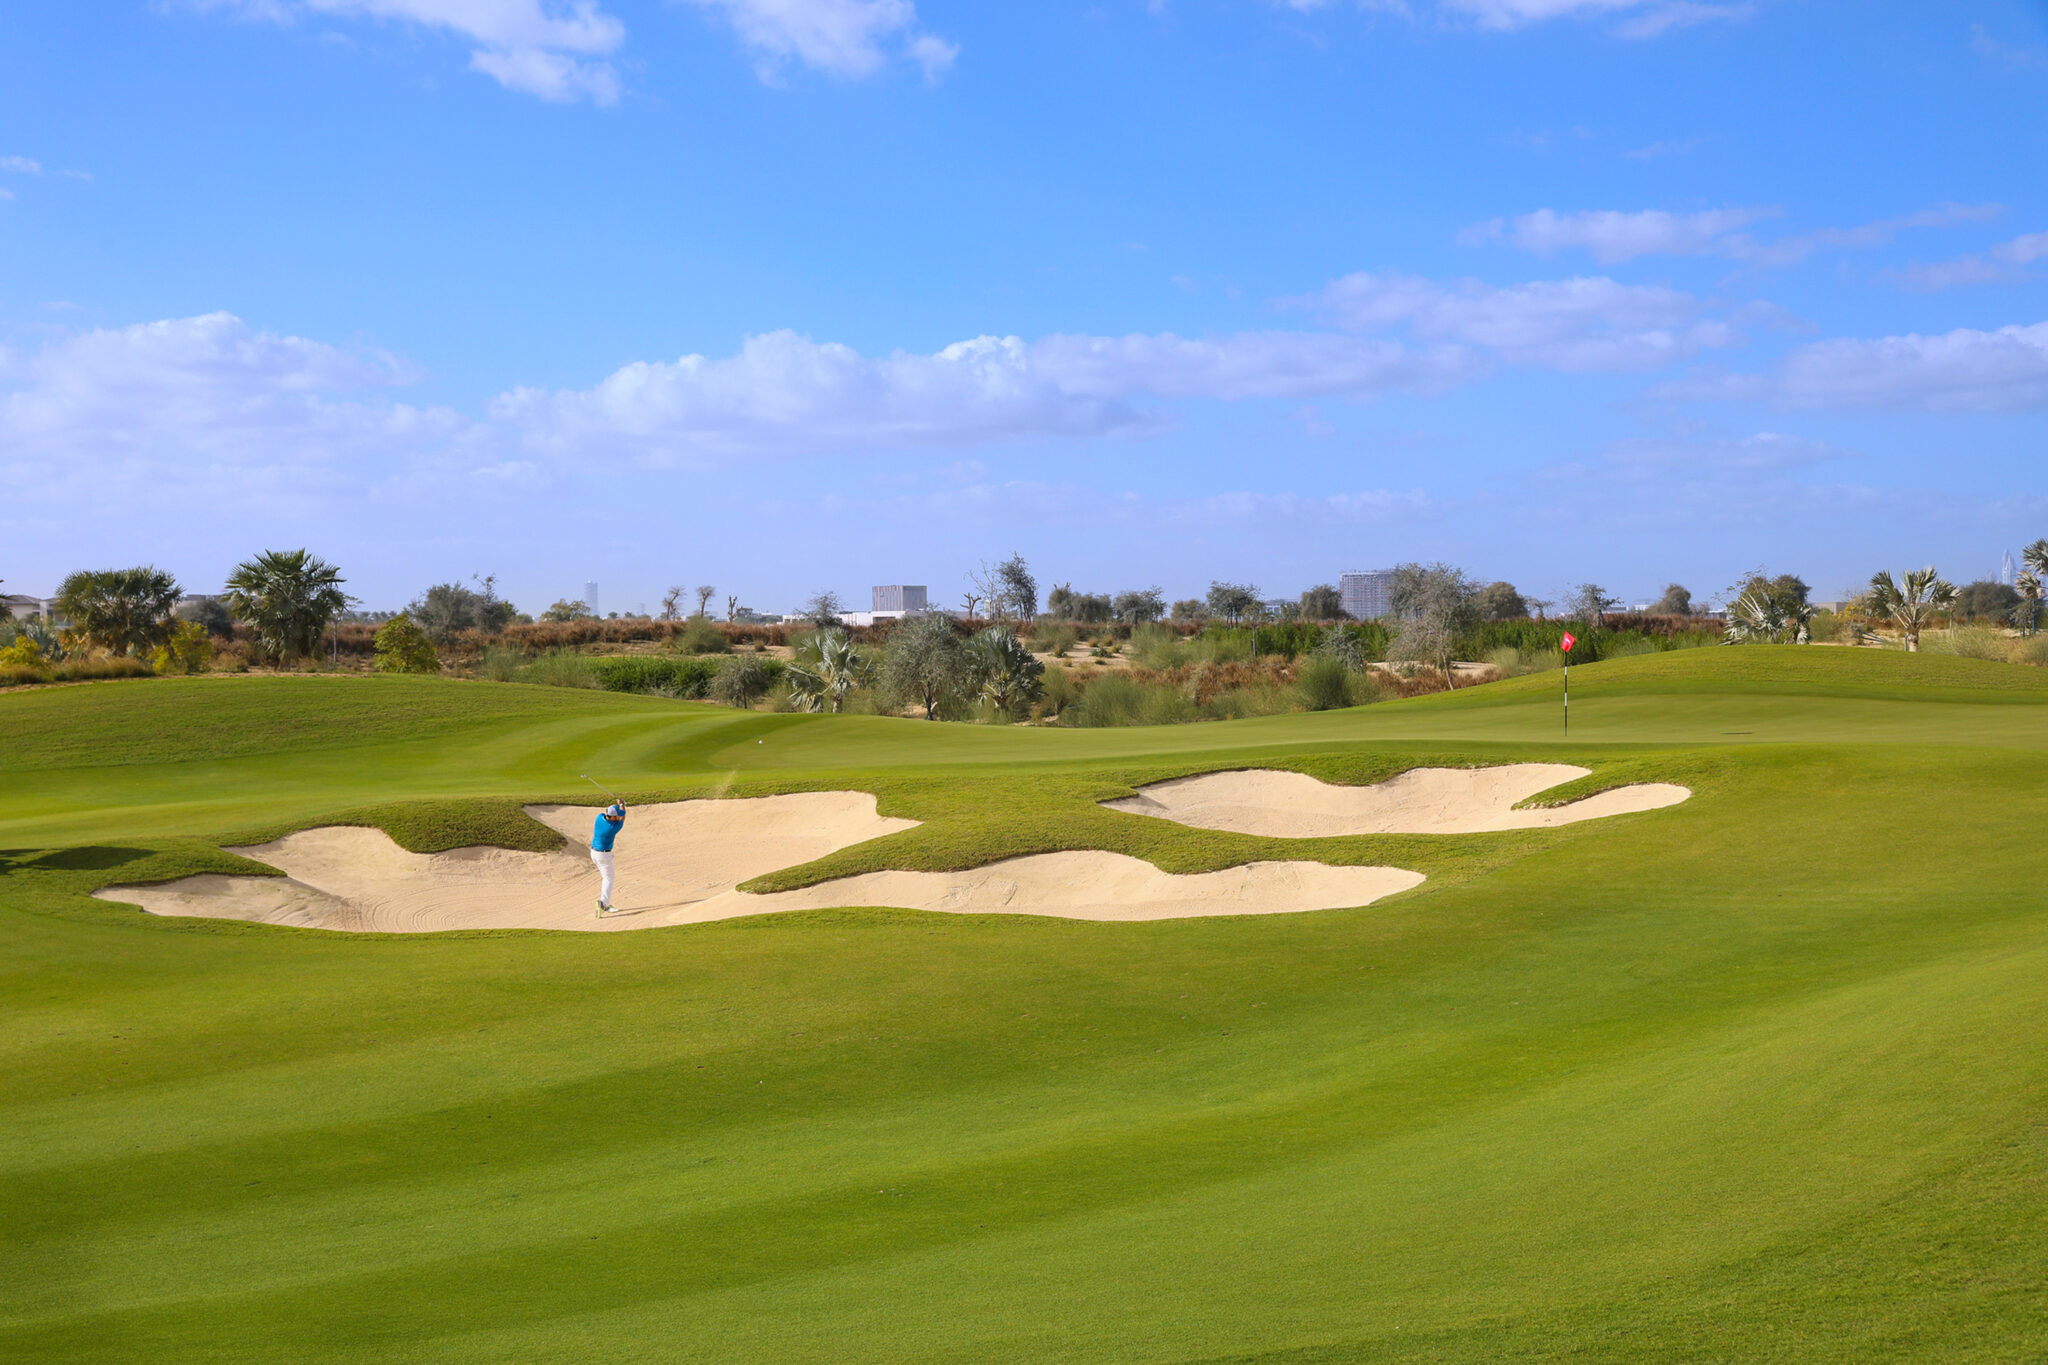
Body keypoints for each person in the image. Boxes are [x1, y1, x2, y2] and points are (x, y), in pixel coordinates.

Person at [591, 801, 625, 915]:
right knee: (608, 879)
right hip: (603, 855)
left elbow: (619, 815)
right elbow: (623, 817)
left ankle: (604, 903)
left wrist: (619, 806)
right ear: (612, 816)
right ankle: (603, 904)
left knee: (606, 877)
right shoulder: (612, 828)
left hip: (594, 853)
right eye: (617, 815)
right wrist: (622, 805)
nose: (618, 816)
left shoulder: (599, 817)